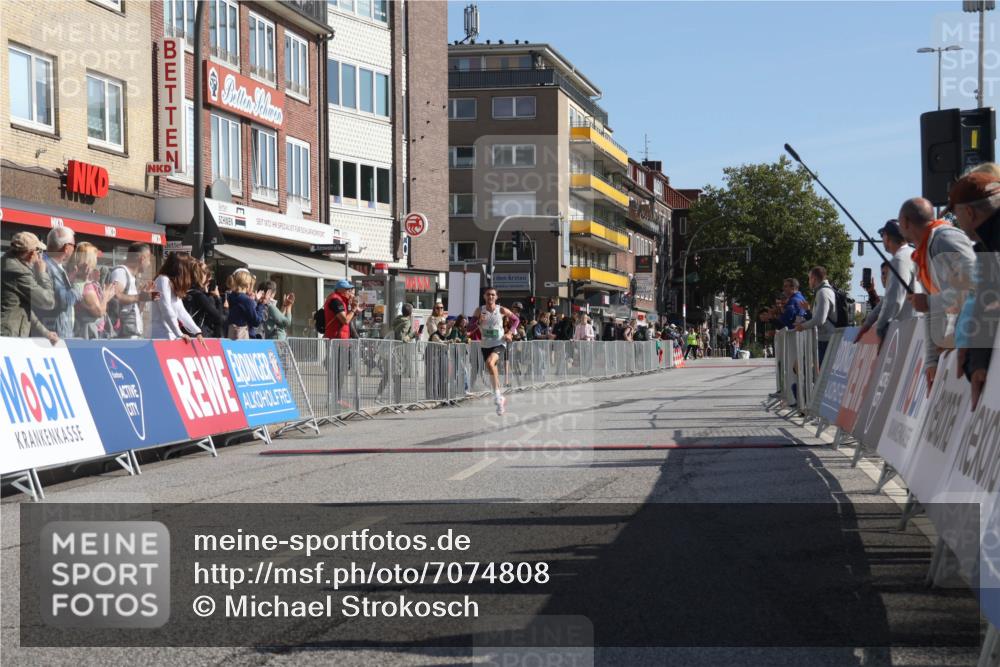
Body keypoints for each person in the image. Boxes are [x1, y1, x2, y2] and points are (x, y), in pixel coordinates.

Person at [898, 196, 977, 393]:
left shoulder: (944, 239)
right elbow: (931, 312)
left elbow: (975, 286)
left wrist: (929, 302)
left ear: (905, 222)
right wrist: (931, 361)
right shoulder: (922, 253)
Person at [947, 171, 1000, 409]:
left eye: (956, 214)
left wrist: (977, 362)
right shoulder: (987, 244)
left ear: (969, 213)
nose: (957, 221)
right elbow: (985, 297)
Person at [857, 220, 921, 344]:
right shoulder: (914, 255)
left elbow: (893, 301)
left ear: (886, 237)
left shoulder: (899, 260)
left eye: (882, 236)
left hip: (905, 333)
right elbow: (887, 299)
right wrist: (868, 323)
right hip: (917, 330)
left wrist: (879, 330)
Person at [0, 231, 57, 343]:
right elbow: (48, 301)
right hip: (8, 338)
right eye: (39, 251)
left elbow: (25, 308)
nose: (40, 256)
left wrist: (46, 333)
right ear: (31, 253)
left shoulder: (8, 263)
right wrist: (42, 273)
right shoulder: (18, 272)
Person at [471, 287, 519, 415]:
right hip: (485, 345)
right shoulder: (479, 310)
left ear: (496, 297)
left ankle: (497, 398)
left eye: (493, 295)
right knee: (493, 371)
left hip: (499, 343)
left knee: (490, 363)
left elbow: (516, 320)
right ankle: (500, 399)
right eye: (488, 294)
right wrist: (478, 321)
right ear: (484, 296)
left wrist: (510, 333)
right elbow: (469, 327)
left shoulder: (501, 310)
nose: (490, 297)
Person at [69, 242, 120, 339]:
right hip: (90, 334)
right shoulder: (85, 287)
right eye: (94, 258)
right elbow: (99, 312)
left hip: (87, 332)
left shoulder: (76, 281)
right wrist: (106, 296)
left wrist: (107, 296)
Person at [35, 226, 79, 339]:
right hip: (54, 337)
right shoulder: (48, 267)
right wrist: (79, 282)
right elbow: (65, 300)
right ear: (66, 248)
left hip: (57, 334)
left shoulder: (52, 265)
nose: (74, 249)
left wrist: (71, 279)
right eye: (74, 246)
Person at [108, 242, 158, 339]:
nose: (149, 264)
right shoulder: (120, 272)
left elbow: (135, 310)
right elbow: (115, 296)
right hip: (122, 337)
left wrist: (143, 297)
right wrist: (139, 297)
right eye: (149, 259)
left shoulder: (132, 278)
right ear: (142, 259)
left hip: (131, 334)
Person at [150, 253, 203, 342]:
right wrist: (179, 333)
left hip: (170, 335)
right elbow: (166, 308)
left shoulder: (172, 284)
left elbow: (181, 312)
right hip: (160, 335)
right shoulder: (163, 280)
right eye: (188, 270)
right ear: (182, 269)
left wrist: (197, 331)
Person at [794, 266, 838, 365]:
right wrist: (808, 311)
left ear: (814, 279)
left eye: (809, 278)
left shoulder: (823, 292)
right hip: (826, 338)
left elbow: (820, 319)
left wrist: (802, 326)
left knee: (816, 369)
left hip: (825, 340)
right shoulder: (825, 291)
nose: (808, 282)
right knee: (804, 367)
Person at [183, 262, 224, 338]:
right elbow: (218, 317)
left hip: (185, 334)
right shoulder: (199, 296)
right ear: (199, 275)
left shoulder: (184, 292)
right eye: (206, 273)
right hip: (200, 336)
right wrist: (218, 299)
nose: (208, 277)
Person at [225, 268, 266, 340]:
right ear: (247, 285)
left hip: (231, 335)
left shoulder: (231, 296)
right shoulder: (246, 301)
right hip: (243, 338)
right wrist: (261, 304)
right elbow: (256, 322)